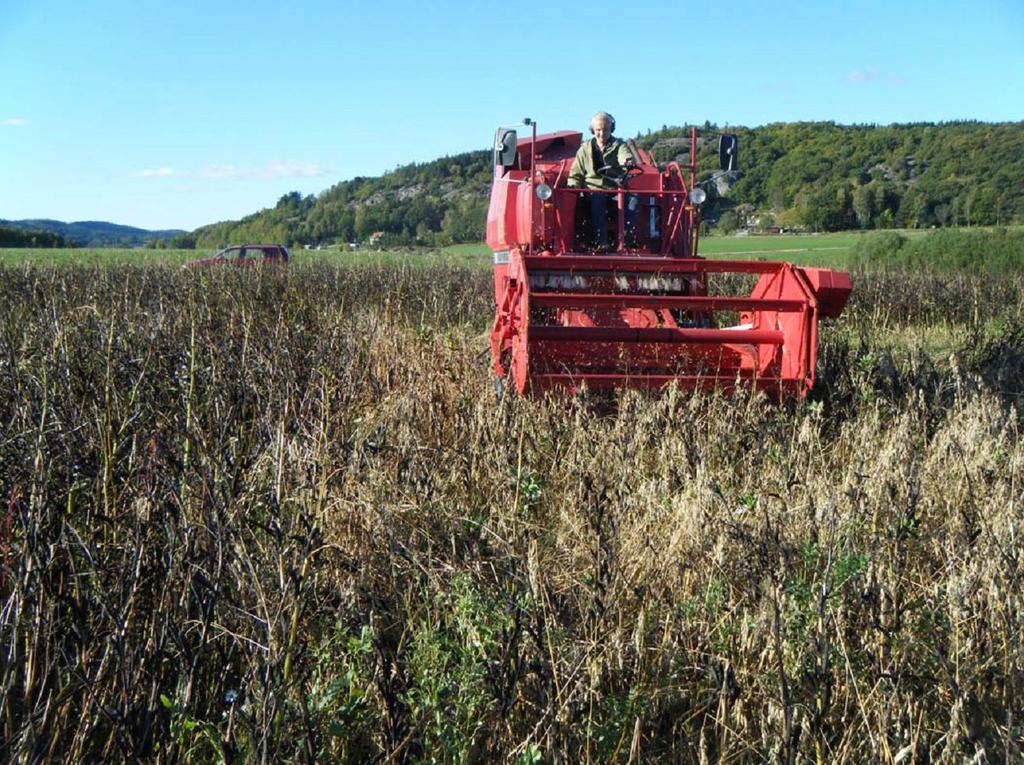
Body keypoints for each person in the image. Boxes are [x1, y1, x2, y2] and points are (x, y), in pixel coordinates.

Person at [567, 111, 638, 248]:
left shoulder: (619, 145)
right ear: (592, 130)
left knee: (633, 200)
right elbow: (575, 172)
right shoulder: (584, 149)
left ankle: (627, 241)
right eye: (598, 130)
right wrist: (572, 188)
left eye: (605, 129)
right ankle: (601, 242)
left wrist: (628, 161)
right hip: (592, 190)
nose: (602, 133)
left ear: (611, 129)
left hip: (615, 191)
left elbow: (625, 155)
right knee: (597, 198)